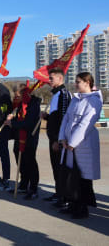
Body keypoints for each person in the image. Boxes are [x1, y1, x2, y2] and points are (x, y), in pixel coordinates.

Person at [58, 72, 102, 219]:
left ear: (87, 82)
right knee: (71, 176)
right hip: (70, 145)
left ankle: (82, 208)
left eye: (78, 82)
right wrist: (62, 138)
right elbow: (66, 119)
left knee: (83, 178)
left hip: (83, 145)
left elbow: (86, 124)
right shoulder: (76, 99)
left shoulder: (94, 101)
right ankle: (73, 204)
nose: (75, 84)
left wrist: (72, 142)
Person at [41, 68, 72, 206]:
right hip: (53, 138)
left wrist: (57, 140)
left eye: (51, 78)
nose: (49, 80)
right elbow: (55, 118)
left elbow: (64, 120)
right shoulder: (55, 95)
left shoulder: (64, 94)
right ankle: (58, 193)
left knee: (61, 168)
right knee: (55, 167)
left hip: (58, 139)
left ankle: (64, 197)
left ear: (60, 79)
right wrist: (46, 117)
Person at [5, 84, 41, 200]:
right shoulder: (21, 104)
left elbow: (28, 123)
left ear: (24, 94)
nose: (16, 98)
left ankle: (33, 188)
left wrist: (13, 123)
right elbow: (19, 118)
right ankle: (24, 184)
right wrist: (12, 119)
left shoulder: (33, 104)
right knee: (21, 161)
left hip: (30, 137)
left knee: (30, 162)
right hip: (19, 137)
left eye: (17, 96)